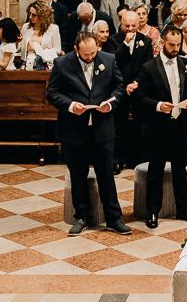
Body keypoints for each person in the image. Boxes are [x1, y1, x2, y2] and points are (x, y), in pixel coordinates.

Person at [45, 28, 130, 235]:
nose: (91, 58)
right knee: (78, 175)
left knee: (106, 176)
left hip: (102, 128)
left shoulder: (108, 59)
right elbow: (52, 93)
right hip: (74, 130)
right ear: (76, 50)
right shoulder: (63, 64)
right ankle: (82, 216)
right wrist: (72, 105)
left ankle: (114, 218)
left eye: (93, 53)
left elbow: (119, 87)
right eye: (86, 55)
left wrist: (110, 104)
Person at [133, 23, 187, 229]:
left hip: (180, 125)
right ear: (162, 42)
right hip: (157, 127)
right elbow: (140, 98)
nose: (175, 49)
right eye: (172, 45)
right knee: (155, 170)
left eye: (178, 45)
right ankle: (152, 211)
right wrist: (158, 105)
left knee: (180, 169)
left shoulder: (186, 64)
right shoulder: (148, 68)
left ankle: (182, 207)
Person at [23, 0, 62, 66]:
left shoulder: (53, 28)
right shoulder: (26, 27)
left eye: (34, 15)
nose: (30, 17)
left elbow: (58, 50)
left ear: (42, 16)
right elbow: (19, 48)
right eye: (29, 14)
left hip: (45, 64)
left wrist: (41, 50)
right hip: (27, 63)